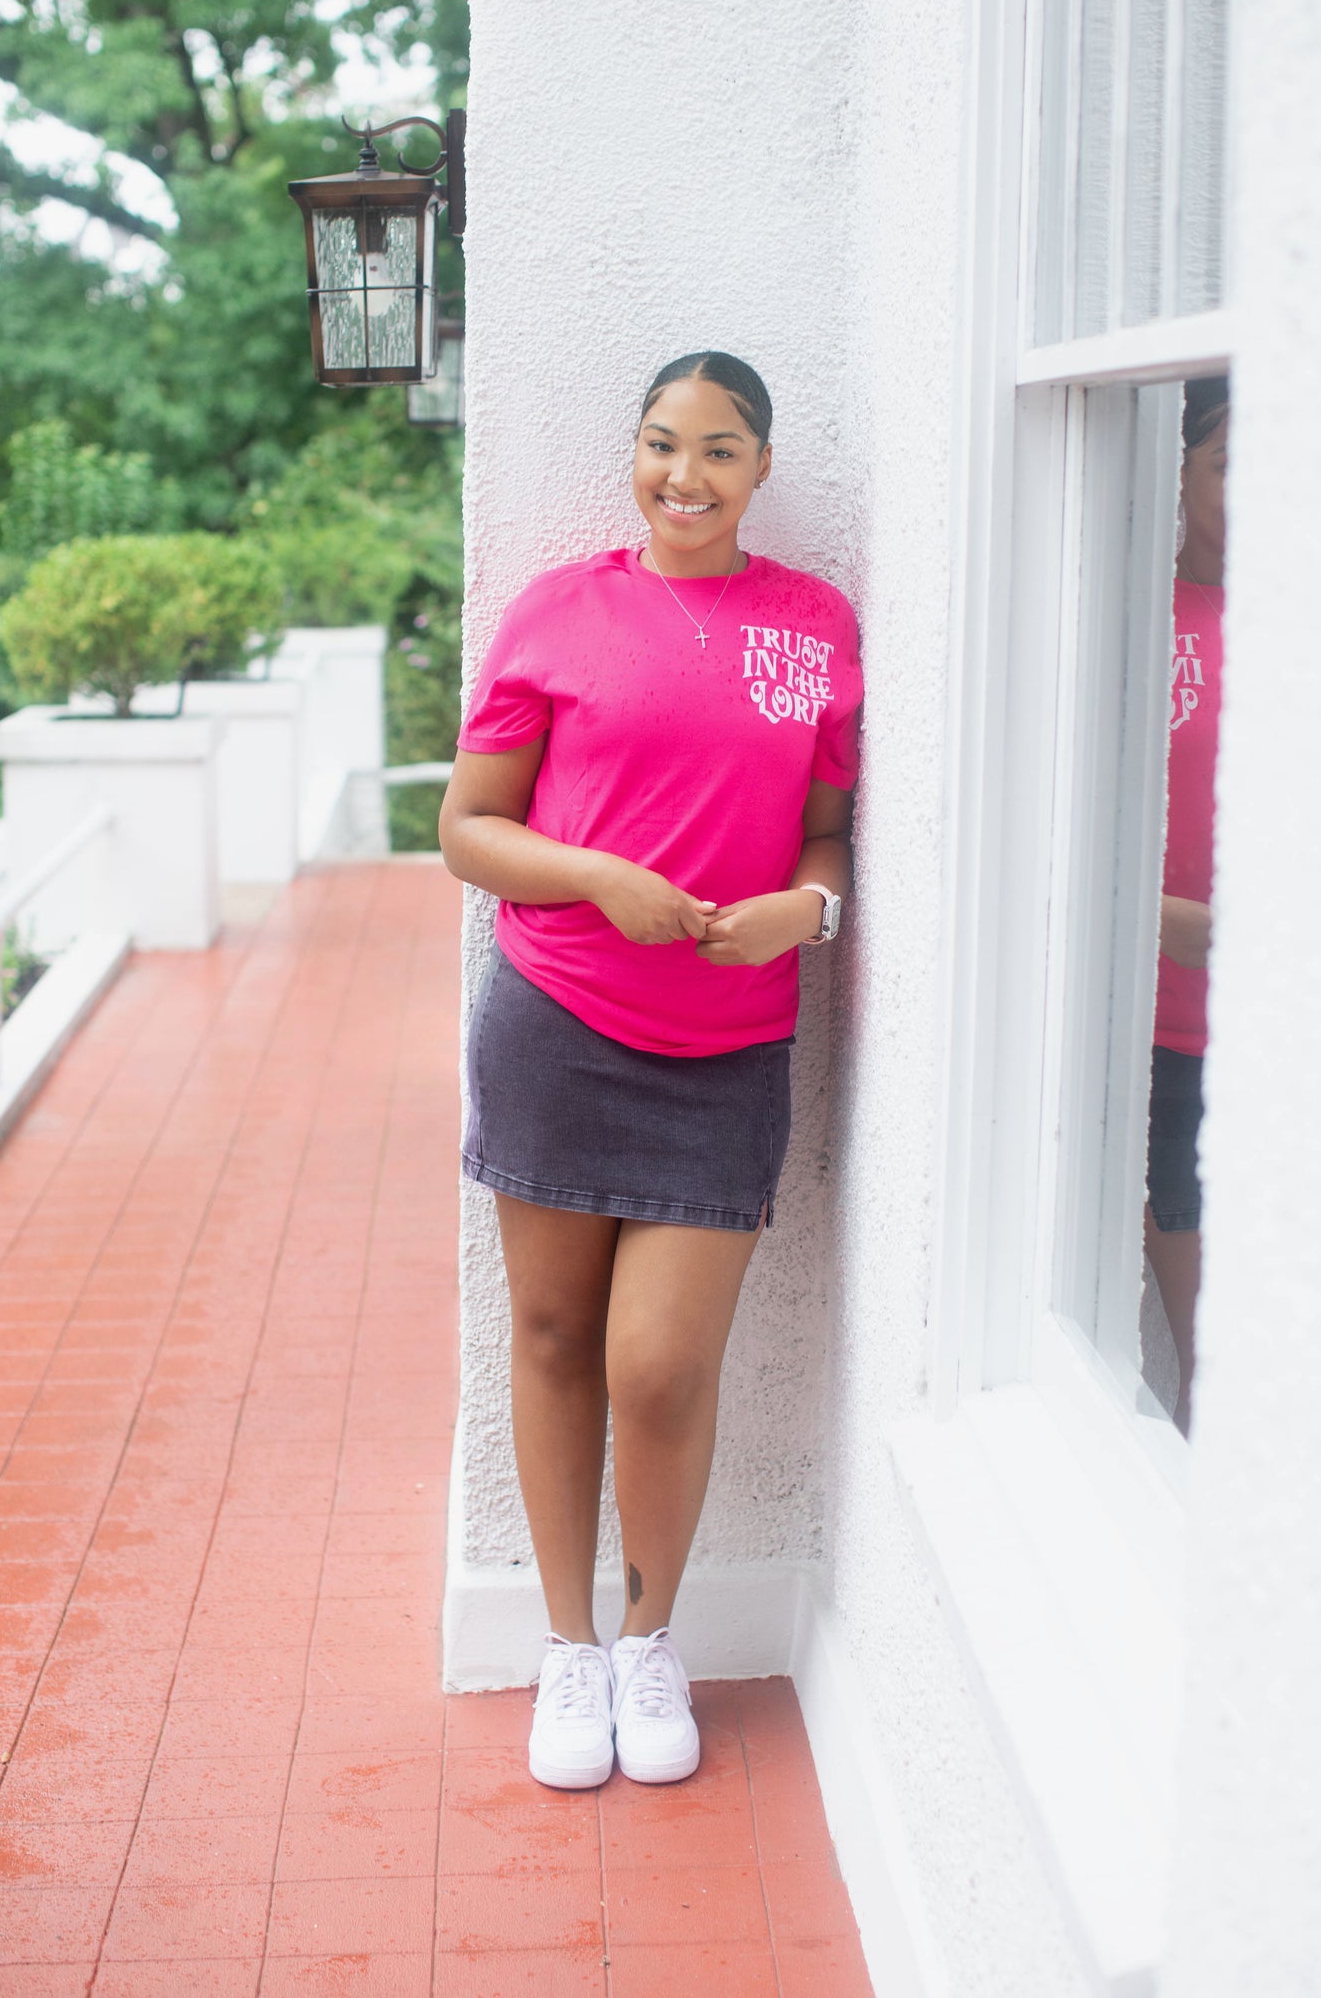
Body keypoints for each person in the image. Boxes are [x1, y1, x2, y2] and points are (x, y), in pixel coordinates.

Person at [438, 352, 863, 1790]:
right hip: (555, 1019)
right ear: (636, 453)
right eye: (662, 444)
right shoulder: (560, 610)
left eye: (720, 450)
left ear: (759, 468)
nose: (685, 475)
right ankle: (569, 1652)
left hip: (725, 1051)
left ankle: (646, 1635)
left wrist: (809, 911)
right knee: (556, 1342)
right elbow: (470, 829)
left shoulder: (814, 630)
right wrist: (596, 880)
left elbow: (824, 836)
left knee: (662, 1367)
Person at [1146, 375, 1228, 1436]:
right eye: (1225, 462)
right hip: (1165, 1039)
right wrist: (1154, 921)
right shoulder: (1134, 621)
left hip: (1304, 1043)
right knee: (1214, 1355)